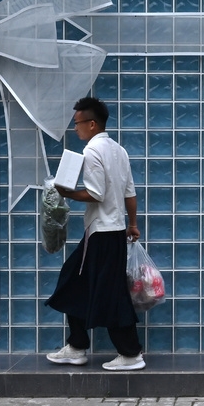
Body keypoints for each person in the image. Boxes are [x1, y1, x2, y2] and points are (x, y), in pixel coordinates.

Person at [45, 96, 145, 371]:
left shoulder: (92, 151)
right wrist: (132, 224)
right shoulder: (119, 150)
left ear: (92, 124)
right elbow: (130, 193)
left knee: (109, 293)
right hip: (111, 232)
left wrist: (64, 191)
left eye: (77, 123)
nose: (75, 129)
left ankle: (130, 353)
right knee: (74, 282)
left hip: (101, 234)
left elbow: (95, 194)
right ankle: (76, 346)